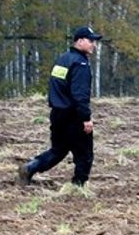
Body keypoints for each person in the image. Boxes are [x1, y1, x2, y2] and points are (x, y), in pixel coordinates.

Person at [18, 26, 102, 187]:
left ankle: (30, 167)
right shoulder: (80, 64)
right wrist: (86, 118)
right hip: (73, 116)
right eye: (91, 41)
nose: (94, 45)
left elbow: (56, 87)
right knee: (84, 154)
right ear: (80, 41)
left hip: (57, 114)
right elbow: (80, 95)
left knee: (58, 150)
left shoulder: (63, 59)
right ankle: (79, 187)